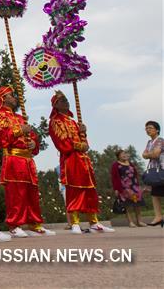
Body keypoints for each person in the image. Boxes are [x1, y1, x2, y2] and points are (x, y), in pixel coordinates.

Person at [0, 86, 55, 237]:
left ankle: (35, 223)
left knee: (32, 192)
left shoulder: (20, 117)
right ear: (3, 98)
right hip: (14, 157)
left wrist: (34, 143)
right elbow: (2, 137)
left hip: (28, 159)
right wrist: (19, 130)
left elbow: (31, 136)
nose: (14, 98)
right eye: (11, 95)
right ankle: (15, 224)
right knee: (16, 193)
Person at [49, 90, 114, 233]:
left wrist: (84, 132)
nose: (66, 102)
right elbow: (63, 144)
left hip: (83, 159)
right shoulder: (55, 122)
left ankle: (94, 222)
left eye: (66, 99)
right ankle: (75, 222)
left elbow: (85, 144)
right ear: (56, 105)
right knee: (74, 189)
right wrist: (80, 145)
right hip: (70, 159)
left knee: (90, 190)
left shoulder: (74, 122)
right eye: (62, 101)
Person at [110, 149, 146, 227]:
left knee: (137, 205)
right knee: (127, 205)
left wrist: (139, 186)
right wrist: (116, 189)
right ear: (118, 156)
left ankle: (139, 221)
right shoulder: (115, 165)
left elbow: (135, 175)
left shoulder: (130, 163)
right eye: (122, 154)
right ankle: (131, 222)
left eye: (125, 154)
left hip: (135, 187)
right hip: (124, 188)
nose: (124, 155)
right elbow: (114, 178)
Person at [142, 121, 164, 226]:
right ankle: (158, 216)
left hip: (162, 169)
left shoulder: (160, 140)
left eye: (150, 128)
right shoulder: (149, 142)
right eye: (146, 128)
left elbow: (155, 154)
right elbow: (143, 155)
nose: (148, 130)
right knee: (155, 194)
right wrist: (149, 154)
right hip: (155, 171)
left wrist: (148, 154)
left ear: (157, 130)